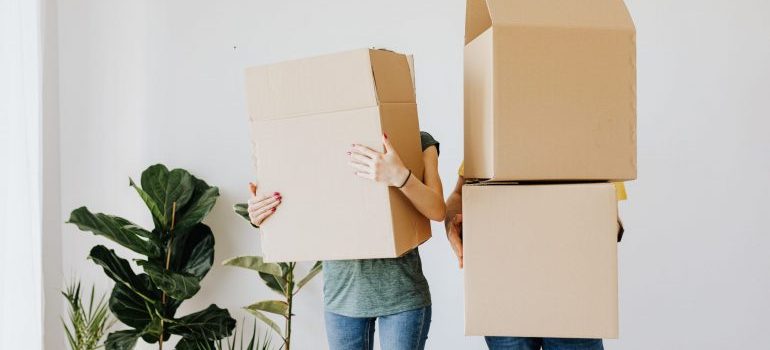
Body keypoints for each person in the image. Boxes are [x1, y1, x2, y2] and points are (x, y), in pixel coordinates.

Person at [246, 132, 445, 350]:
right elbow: (296, 201)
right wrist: (262, 214)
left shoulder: (418, 140)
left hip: (402, 296)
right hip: (342, 298)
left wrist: (399, 176)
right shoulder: (316, 139)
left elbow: (437, 210)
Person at [444, 162, 626, 350]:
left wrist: (605, 228)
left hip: (572, 295)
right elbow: (459, 193)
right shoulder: (493, 136)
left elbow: (609, 207)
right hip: (505, 294)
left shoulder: (590, 140)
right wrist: (451, 226)